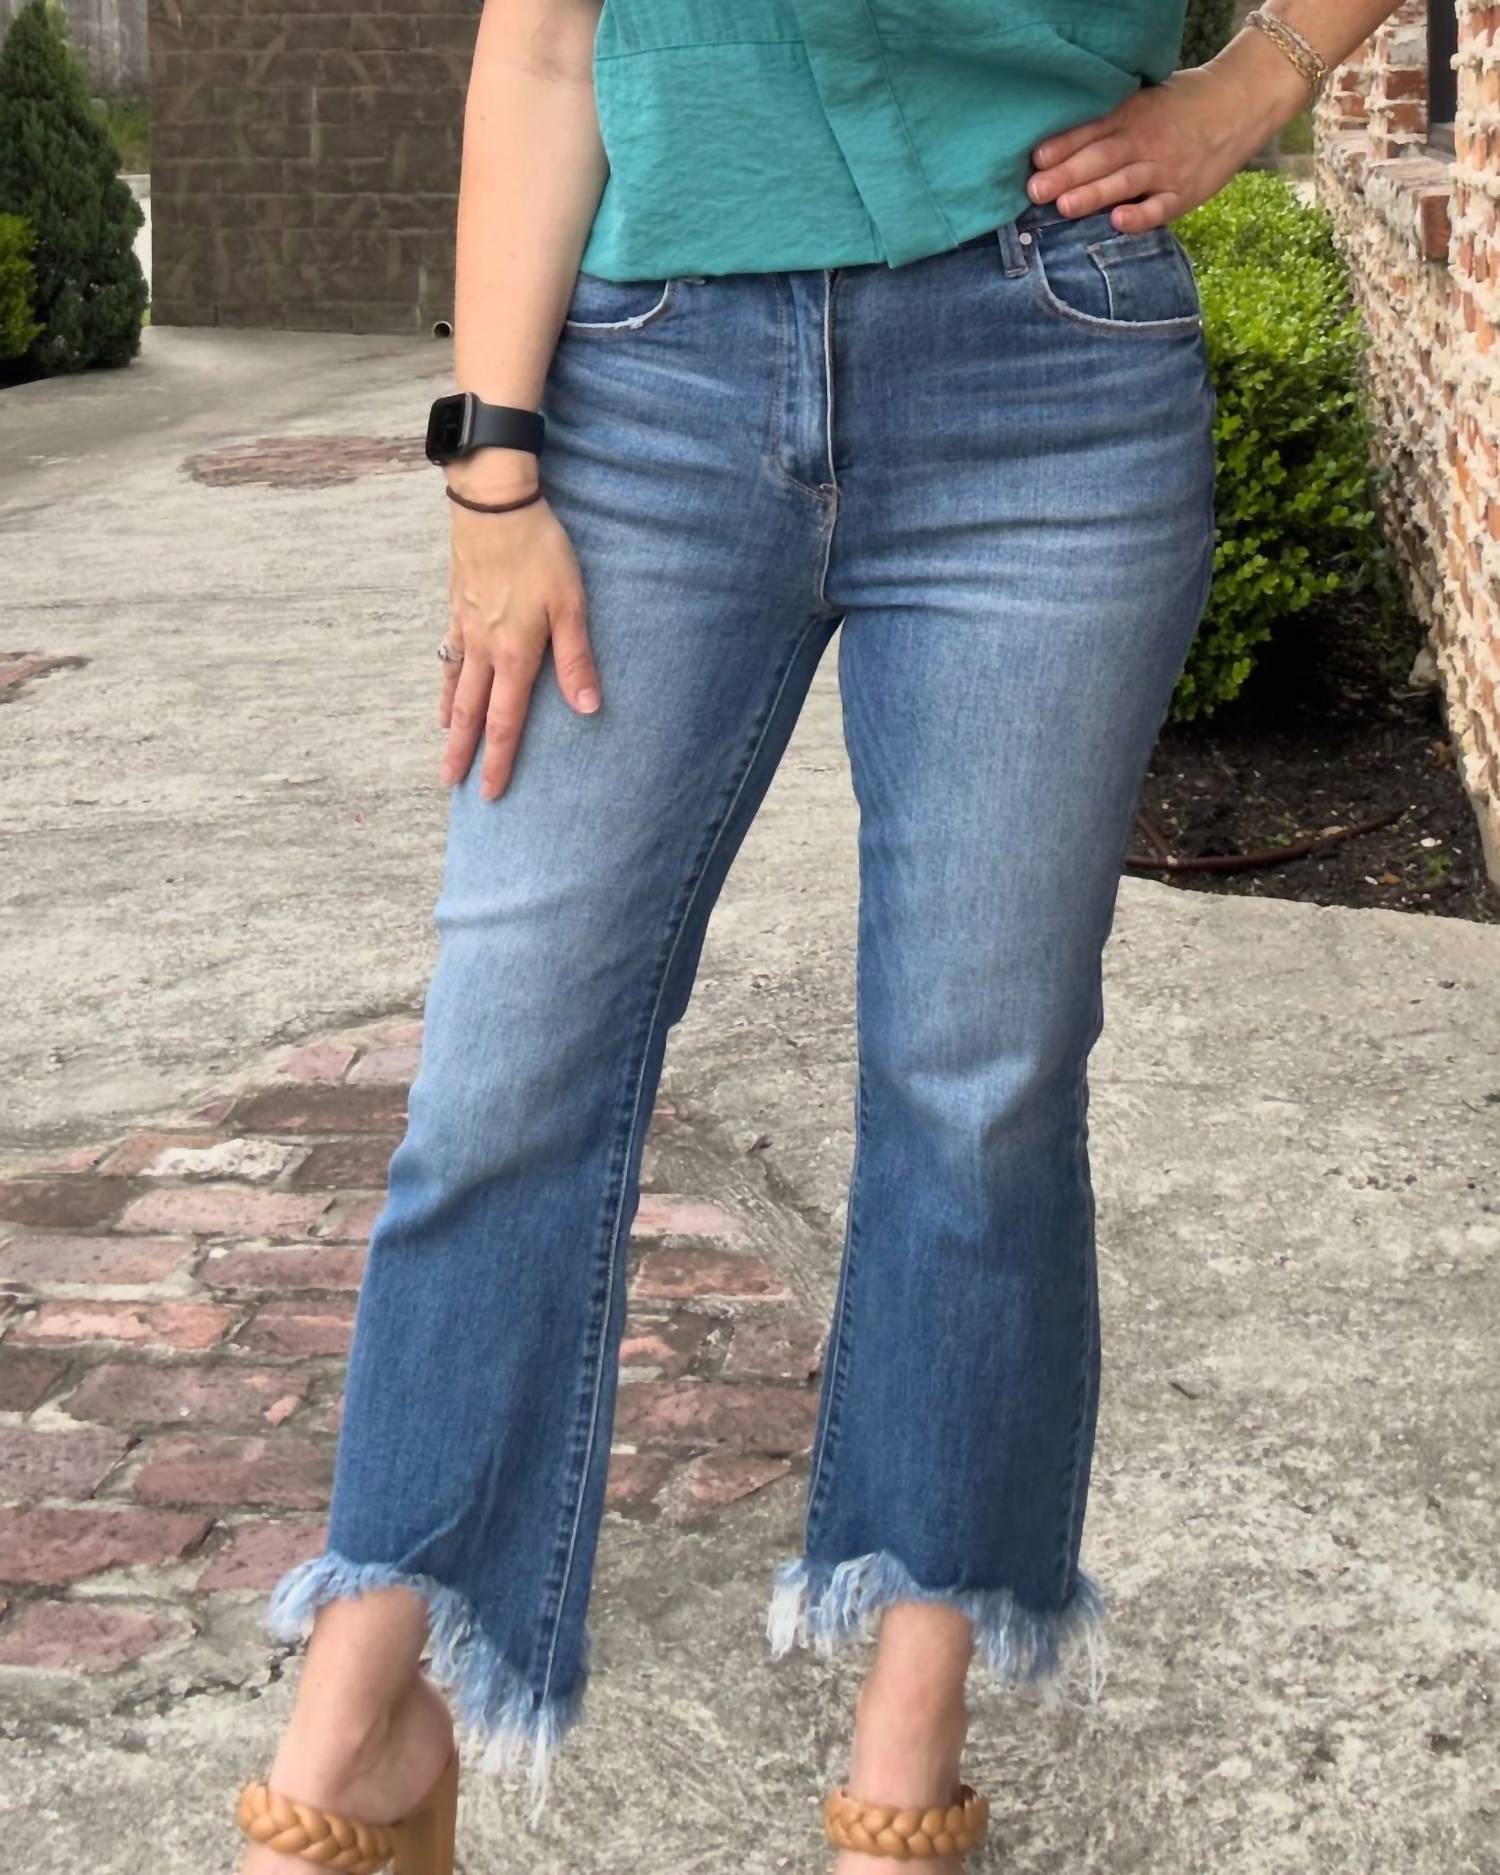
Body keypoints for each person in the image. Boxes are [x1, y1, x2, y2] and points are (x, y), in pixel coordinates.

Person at [232, 4, 1397, 1870]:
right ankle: (363, 1714)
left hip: (1047, 368)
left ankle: (903, 1766)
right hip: (643, 395)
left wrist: (1262, 78)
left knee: (977, 1085)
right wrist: (490, 470)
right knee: (507, 1065)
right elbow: (541, 51)